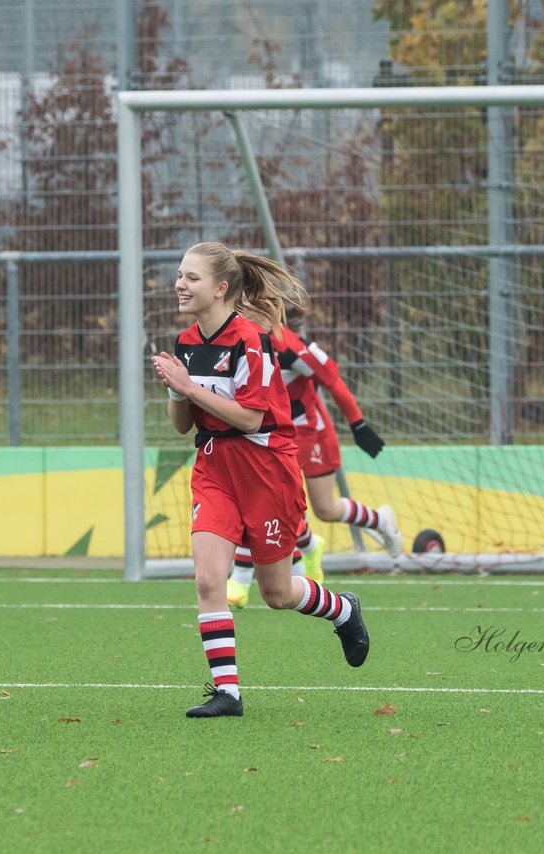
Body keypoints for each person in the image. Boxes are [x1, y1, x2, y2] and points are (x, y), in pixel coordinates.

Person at [151, 241, 370, 719]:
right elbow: (182, 425)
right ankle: (227, 693)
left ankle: (344, 610)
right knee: (209, 579)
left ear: (221, 288)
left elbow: (251, 419)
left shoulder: (252, 340)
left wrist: (188, 387)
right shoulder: (187, 343)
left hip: (266, 471)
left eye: (191, 277)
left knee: (277, 593)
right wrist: (175, 391)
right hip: (213, 467)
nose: (180, 285)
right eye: (180, 275)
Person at [226, 310, 402, 608]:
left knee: (300, 503)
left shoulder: (290, 347)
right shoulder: (238, 342)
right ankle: (314, 545)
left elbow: (332, 378)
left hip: (308, 431)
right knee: (317, 507)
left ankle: (242, 578)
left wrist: (358, 424)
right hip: (274, 433)